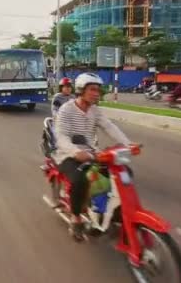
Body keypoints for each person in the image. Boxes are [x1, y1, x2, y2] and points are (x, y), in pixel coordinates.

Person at [54, 72, 135, 241]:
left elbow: (109, 127)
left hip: (92, 153)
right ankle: (76, 219)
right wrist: (75, 151)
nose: (96, 93)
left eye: (98, 90)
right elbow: (61, 137)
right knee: (80, 180)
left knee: (123, 172)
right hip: (68, 154)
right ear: (80, 90)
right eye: (92, 89)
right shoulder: (66, 109)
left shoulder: (94, 110)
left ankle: (112, 211)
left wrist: (128, 144)